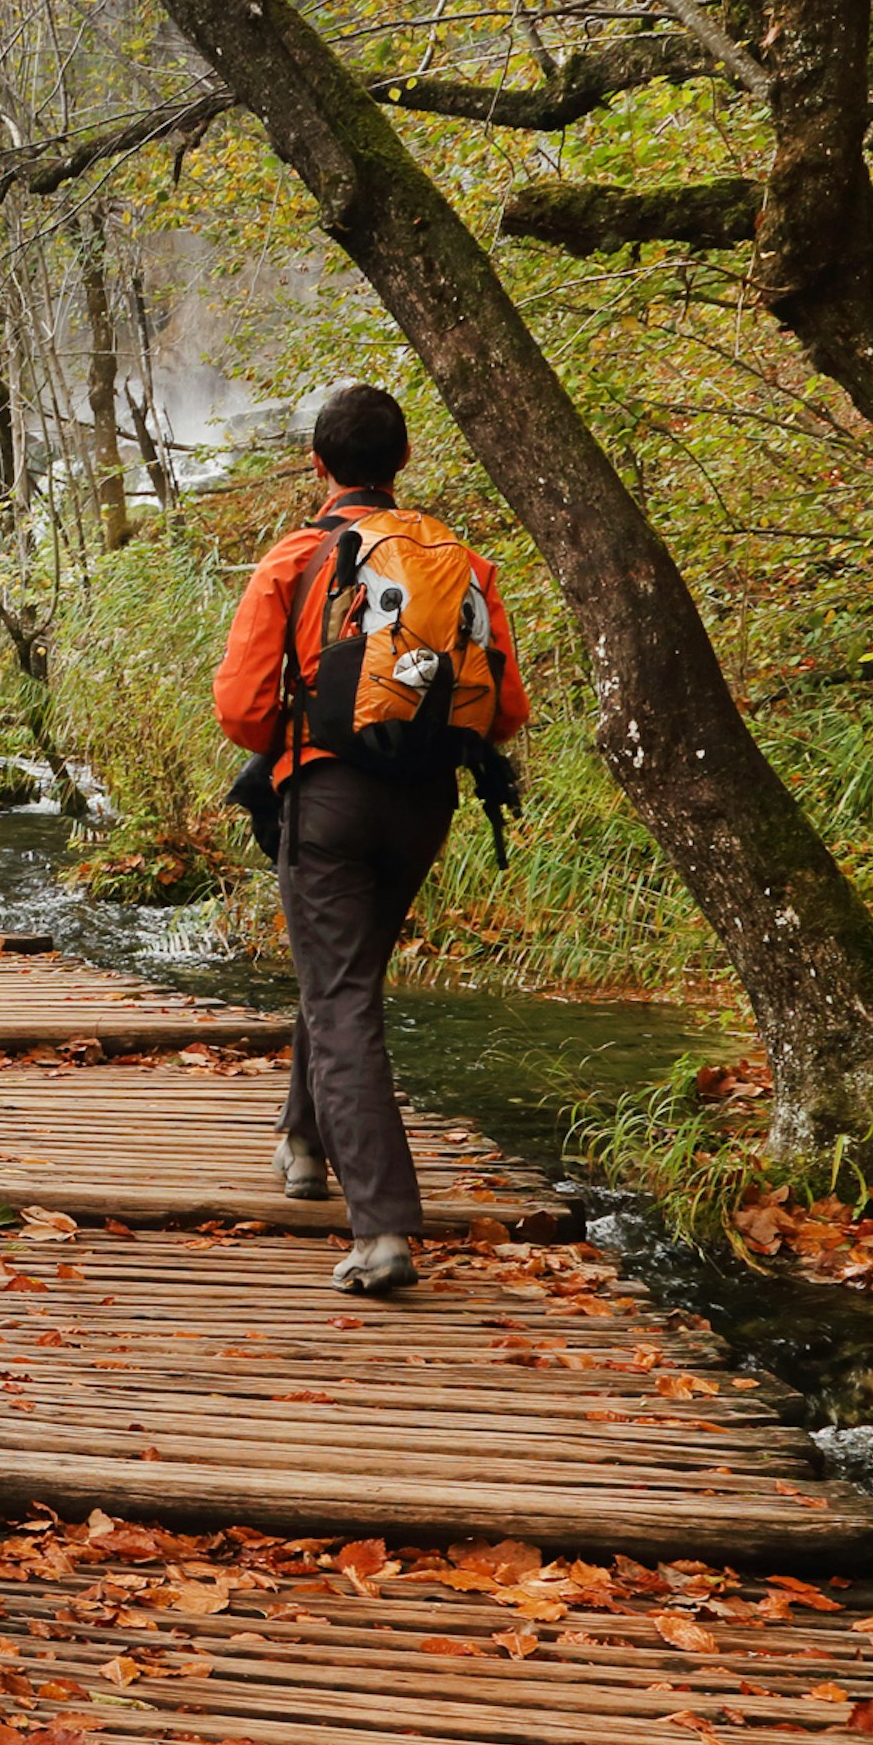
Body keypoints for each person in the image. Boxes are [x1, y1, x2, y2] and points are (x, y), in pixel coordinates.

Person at [213, 384, 529, 1296]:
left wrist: (307, 726)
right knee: (345, 978)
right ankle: (301, 1143)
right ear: (401, 464)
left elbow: (240, 712)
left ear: (318, 466)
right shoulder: (459, 561)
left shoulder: (299, 557)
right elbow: (504, 710)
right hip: (426, 802)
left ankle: (384, 1228)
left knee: (342, 992)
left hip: (329, 801)